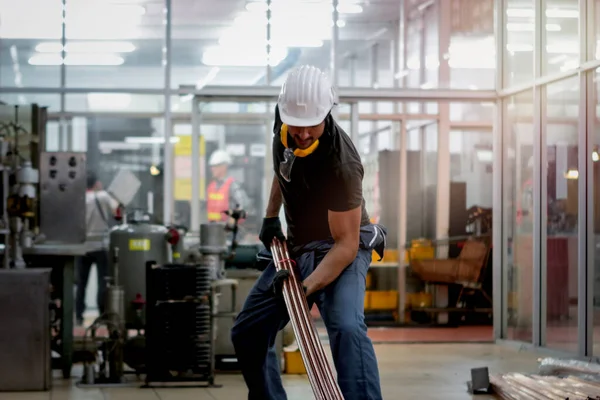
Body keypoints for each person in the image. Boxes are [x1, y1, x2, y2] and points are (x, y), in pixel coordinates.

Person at [230, 65, 386, 400]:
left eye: (310, 126)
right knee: (248, 332)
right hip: (297, 246)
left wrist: (303, 290)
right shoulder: (285, 125)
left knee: (346, 327)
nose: (302, 134)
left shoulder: (341, 164)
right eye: (295, 126)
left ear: (327, 113)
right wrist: (271, 216)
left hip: (340, 246)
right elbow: (284, 166)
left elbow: (345, 246)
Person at [76, 171, 118, 326]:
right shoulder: (103, 196)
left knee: (82, 283)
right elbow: (117, 211)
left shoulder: (80, 199)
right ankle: (102, 315)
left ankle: (79, 316)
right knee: (103, 281)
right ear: (96, 183)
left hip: (83, 247)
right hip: (100, 246)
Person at [206, 149, 249, 223]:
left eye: (215, 166)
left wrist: (231, 222)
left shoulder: (232, 185)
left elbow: (244, 206)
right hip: (213, 229)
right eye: (212, 166)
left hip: (228, 231)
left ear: (224, 166)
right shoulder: (212, 186)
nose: (212, 169)